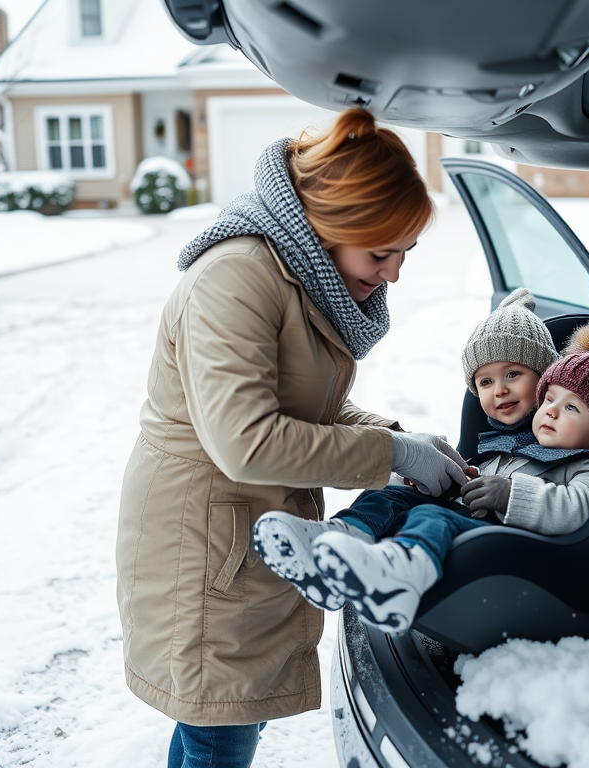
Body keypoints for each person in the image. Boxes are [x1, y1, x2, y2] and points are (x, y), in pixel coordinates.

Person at [115, 108, 468, 768]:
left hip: (242, 530)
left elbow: (310, 406)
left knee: (213, 721)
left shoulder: (295, 275)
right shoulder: (236, 278)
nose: (394, 274)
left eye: (405, 254)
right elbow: (246, 440)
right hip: (202, 543)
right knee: (221, 728)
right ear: (335, 227)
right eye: (381, 251)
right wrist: (391, 455)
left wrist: (399, 437)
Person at [254, 289, 589, 634]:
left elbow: (582, 509)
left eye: (513, 375)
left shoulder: (584, 463)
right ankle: (337, 541)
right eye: (485, 382)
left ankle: (401, 574)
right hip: (479, 527)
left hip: (520, 553)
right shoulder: (504, 444)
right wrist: (445, 482)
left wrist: (510, 495)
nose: (500, 389)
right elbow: (475, 487)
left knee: (431, 517)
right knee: (390, 495)